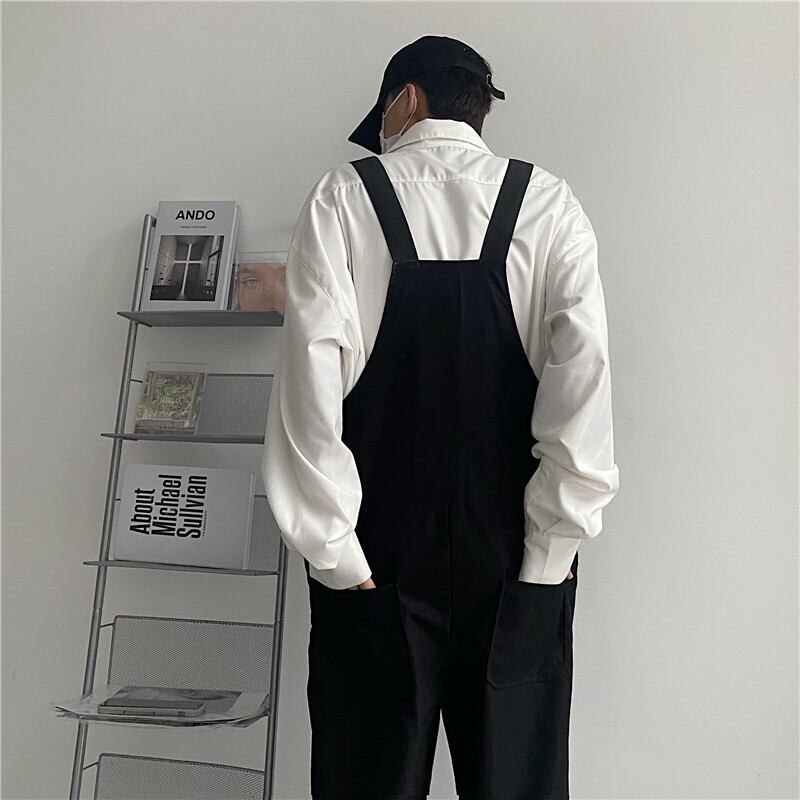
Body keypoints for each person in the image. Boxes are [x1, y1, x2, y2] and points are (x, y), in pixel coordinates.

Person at [262, 34, 620, 800]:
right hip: (516, 562)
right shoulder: (548, 203)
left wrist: (339, 558)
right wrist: (549, 553)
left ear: (407, 98)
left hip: (376, 560)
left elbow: (308, 390)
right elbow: (583, 383)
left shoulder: (343, 198)